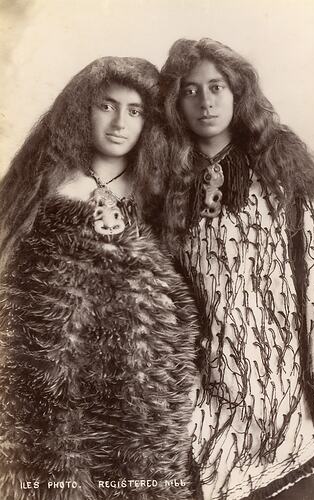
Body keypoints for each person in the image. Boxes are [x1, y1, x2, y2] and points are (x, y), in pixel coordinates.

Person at [0, 56, 199, 500]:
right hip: (53, 382)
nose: (119, 123)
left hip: (142, 384)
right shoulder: (42, 183)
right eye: (106, 106)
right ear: (82, 109)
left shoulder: (161, 189)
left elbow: (182, 281)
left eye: (135, 111)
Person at [160, 38, 314, 500]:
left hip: (282, 388)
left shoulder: (279, 168)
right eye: (191, 90)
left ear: (237, 92)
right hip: (205, 390)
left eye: (217, 87)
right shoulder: (160, 181)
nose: (205, 101)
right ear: (174, 101)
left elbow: (312, 281)